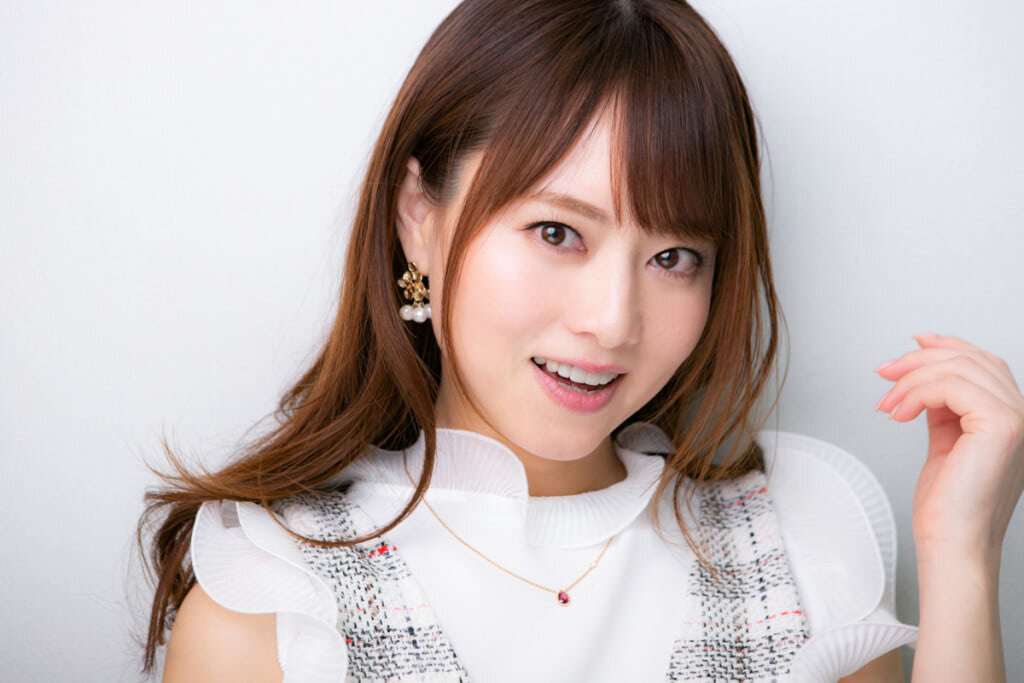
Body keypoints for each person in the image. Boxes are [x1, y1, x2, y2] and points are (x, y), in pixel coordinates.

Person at [139, 1, 1023, 681]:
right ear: (419, 218)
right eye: (557, 232)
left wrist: (964, 554)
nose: (613, 321)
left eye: (674, 256)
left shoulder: (800, 542)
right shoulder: (274, 599)